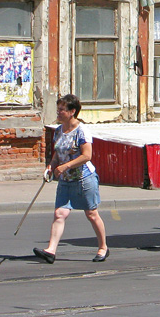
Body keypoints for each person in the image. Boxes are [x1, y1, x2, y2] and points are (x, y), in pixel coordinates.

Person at [33, 94, 108, 264]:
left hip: (84, 178)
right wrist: (51, 167)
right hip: (65, 180)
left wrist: (66, 166)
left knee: (91, 213)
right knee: (60, 213)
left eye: (62, 109)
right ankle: (51, 251)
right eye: (58, 109)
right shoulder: (59, 130)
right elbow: (57, 153)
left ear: (72, 111)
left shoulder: (82, 131)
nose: (58, 112)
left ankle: (103, 247)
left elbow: (87, 156)